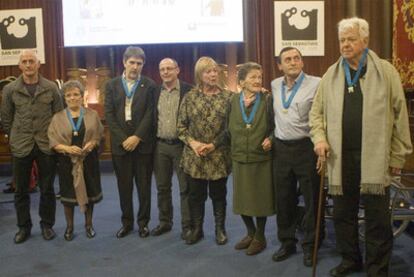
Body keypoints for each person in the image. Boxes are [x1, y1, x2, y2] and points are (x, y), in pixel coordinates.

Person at [309, 17, 412, 277]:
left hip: (375, 159)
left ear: (365, 41)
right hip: (340, 160)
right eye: (342, 40)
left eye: (351, 39)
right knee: (344, 215)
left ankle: (377, 268)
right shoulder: (330, 75)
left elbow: (400, 116)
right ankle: (350, 259)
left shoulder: (385, 71)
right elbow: (316, 114)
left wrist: (398, 157)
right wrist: (319, 138)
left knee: (377, 219)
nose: (345, 44)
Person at [1, 49, 63, 243]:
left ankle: (47, 225)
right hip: (21, 145)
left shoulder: (51, 87)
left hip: (46, 144)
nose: (28, 65)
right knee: (20, 190)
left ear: (38, 65)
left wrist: (55, 139)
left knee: (47, 189)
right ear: (19, 65)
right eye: (25, 61)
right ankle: (23, 227)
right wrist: (13, 137)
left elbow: (59, 115)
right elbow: (6, 117)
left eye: (31, 61)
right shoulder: (10, 89)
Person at [271, 47, 321, 267]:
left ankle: (311, 245)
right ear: (280, 65)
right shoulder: (274, 85)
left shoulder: (317, 84)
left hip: (306, 148)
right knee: (284, 198)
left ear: (302, 62)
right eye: (287, 59)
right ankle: (287, 241)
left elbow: (323, 116)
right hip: (281, 149)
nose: (292, 62)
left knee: (311, 200)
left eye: (296, 58)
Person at [177, 56, 232, 245]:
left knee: (219, 195)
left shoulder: (228, 97)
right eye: (208, 71)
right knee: (195, 196)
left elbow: (230, 129)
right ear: (200, 75)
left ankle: (220, 229)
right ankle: (197, 229)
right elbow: (181, 128)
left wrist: (213, 145)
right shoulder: (190, 97)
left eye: (215, 71)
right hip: (195, 157)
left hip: (219, 156)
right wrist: (194, 144)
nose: (213, 74)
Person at [104, 46, 156, 238]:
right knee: (124, 188)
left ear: (143, 65)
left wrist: (137, 137)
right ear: (124, 63)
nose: (135, 67)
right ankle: (127, 223)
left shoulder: (150, 85)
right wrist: (124, 139)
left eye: (139, 63)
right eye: (132, 62)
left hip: (143, 145)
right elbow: (109, 115)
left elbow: (151, 113)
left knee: (144, 187)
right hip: (121, 146)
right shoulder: (111, 85)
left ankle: (143, 223)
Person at [227, 62, 275, 255]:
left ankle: (261, 237)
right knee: (241, 200)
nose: (257, 80)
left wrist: (271, 139)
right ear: (241, 82)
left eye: (259, 77)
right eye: (253, 77)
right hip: (239, 156)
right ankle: (251, 232)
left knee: (260, 200)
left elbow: (276, 125)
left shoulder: (267, 100)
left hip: (260, 157)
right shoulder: (232, 100)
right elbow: (226, 127)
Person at [48, 80, 104, 241]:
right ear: (64, 98)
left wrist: (92, 143)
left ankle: (88, 225)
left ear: (82, 96)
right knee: (68, 197)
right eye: (68, 95)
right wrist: (67, 149)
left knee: (90, 194)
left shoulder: (92, 114)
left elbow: (99, 135)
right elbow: (52, 141)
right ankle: (69, 227)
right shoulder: (57, 118)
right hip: (67, 163)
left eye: (76, 94)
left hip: (89, 161)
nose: (72, 98)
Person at [151, 58, 193, 240]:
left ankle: (187, 226)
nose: (166, 72)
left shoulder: (188, 90)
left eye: (169, 68)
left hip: (181, 146)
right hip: (160, 146)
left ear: (178, 70)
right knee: (162, 187)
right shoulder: (154, 91)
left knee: (185, 188)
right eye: (162, 69)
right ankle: (165, 222)